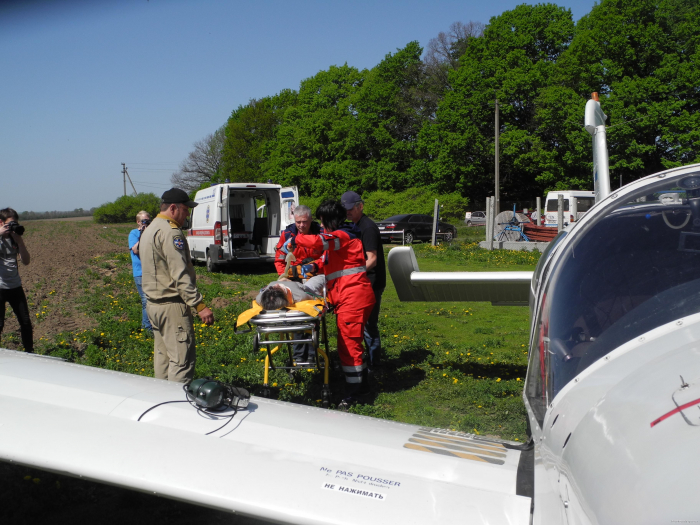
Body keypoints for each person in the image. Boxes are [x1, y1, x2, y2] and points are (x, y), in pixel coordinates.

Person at [289, 200, 375, 407]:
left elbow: (320, 243)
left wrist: (296, 238)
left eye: (321, 220)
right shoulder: (340, 238)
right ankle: (362, 384)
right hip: (349, 297)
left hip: (353, 298)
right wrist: (304, 269)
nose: (321, 224)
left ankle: (354, 394)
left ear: (328, 220)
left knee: (348, 345)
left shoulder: (344, 235)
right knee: (351, 343)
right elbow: (325, 260)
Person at [140, 188, 214, 383]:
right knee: (182, 362)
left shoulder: (149, 230)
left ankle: (160, 400)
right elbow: (179, 274)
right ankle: (177, 407)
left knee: (163, 359)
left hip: (153, 305)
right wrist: (199, 305)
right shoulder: (171, 233)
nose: (187, 214)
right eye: (185, 209)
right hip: (172, 306)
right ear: (173, 208)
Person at [274, 205, 325, 363]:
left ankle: (312, 353)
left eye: (304, 222)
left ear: (310, 219)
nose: (301, 225)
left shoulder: (321, 234)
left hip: (314, 279)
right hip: (294, 280)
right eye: (298, 222)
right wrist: (283, 277)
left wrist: (313, 268)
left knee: (312, 315)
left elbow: (328, 258)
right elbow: (279, 258)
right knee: (295, 316)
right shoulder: (288, 235)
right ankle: (298, 355)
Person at [341, 191, 386, 371]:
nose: (348, 212)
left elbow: (372, 259)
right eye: (345, 209)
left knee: (369, 325)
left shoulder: (367, 227)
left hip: (372, 283)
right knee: (365, 325)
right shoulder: (355, 225)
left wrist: (351, 274)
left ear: (360, 206)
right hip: (364, 282)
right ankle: (369, 360)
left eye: (351, 209)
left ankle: (375, 363)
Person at [0, 208, 33, 353]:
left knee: (25, 322)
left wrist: (20, 242)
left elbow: (26, 261)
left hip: (15, 286)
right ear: (1, 223)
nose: (13, 226)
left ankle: (30, 352)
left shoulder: (15, 238)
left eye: (15, 223)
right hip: (0, 287)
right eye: (10, 224)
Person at [128, 210, 153, 333]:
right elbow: (136, 250)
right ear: (138, 222)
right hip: (141, 273)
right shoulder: (134, 233)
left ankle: (155, 325)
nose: (147, 223)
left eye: (148, 220)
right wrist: (143, 233)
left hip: (153, 272)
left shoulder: (152, 233)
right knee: (146, 301)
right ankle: (147, 328)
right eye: (144, 221)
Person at [256, 276, 326, 311]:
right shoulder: (300, 296)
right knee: (320, 278)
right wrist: (320, 296)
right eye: (277, 288)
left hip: (286, 282)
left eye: (272, 288)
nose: (276, 285)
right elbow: (315, 297)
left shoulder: (259, 299)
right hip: (303, 287)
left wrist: (283, 281)